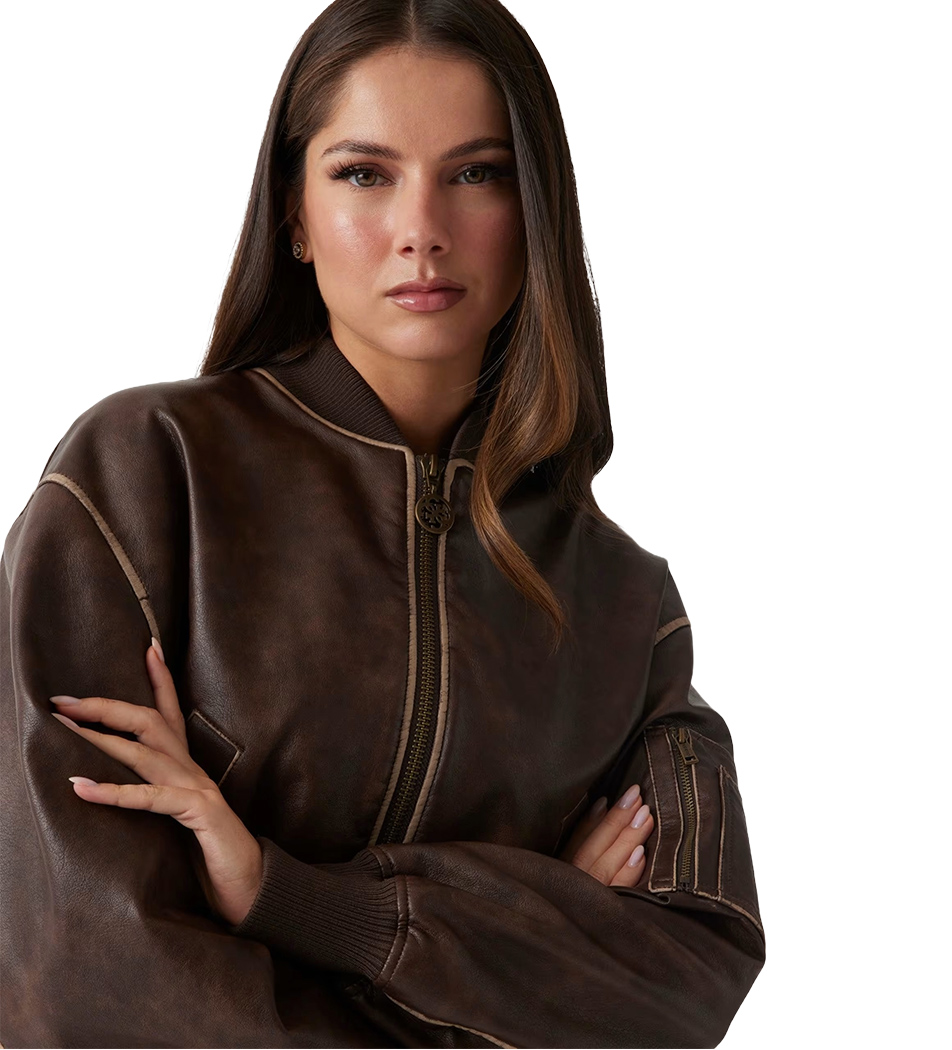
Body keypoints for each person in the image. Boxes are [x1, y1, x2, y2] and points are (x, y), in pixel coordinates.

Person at [0, 0, 765, 1046]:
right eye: (365, 174)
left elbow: (686, 982)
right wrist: (529, 932)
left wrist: (284, 895)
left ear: (536, 210)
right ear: (294, 214)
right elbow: (84, 974)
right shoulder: (142, 480)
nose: (422, 230)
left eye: (477, 173)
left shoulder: (626, 608)